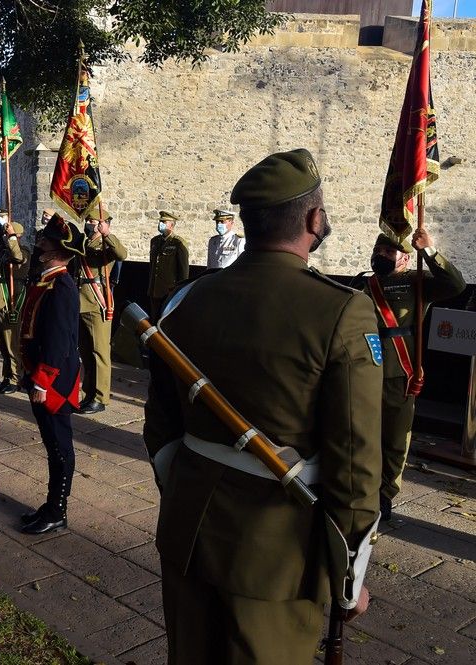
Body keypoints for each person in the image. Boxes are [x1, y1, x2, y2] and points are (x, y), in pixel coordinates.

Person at [143, 148, 382, 663]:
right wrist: (349, 574)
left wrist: (182, 485)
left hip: (187, 529)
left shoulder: (187, 299)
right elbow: (356, 462)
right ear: (314, 219)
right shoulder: (342, 311)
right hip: (275, 555)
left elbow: (160, 423)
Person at [350, 230, 465, 520]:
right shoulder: (363, 283)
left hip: (397, 372)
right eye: (379, 249)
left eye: (388, 252)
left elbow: (455, 285)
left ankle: (385, 494)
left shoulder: (416, 282)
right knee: (362, 435)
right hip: (362, 369)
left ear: (404, 257)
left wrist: (429, 251)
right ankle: (361, 487)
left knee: (394, 438)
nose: (381, 255)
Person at [18, 213, 85, 535]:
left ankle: (58, 509)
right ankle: (51, 504)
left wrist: (42, 381)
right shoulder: (46, 280)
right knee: (51, 443)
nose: (39, 243)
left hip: (55, 381)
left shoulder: (61, 286)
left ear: (57, 250)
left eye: (45, 240)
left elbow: (58, 342)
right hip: (41, 375)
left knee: (59, 446)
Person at [75, 209, 127, 415]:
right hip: (82, 300)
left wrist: (107, 234)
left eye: (92, 220)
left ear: (102, 224)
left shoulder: (106, 243)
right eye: (87, 220)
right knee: (86, 352)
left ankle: (101, 396)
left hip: (98, 301)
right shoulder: (85, 243)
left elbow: (122, 254)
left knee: (100, 352)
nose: (88, 223)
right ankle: (89, 393)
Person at [0, 213, 31, 394]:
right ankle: (7, 376)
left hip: (12, 300)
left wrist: (12, 236)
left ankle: (15, 378)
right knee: (3, 344)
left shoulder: (23, 251)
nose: (5, 237)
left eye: (8, 235)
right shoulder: (5, 251)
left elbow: (18, 256)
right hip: (0, 302)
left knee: (12, 343)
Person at [147, 211, 189, 317]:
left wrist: (179, 291)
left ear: (171, 225)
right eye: (160, 222)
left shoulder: (178, 243)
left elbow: (183, 270)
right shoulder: (155, 241)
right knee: (154, 319)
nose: (160, 224)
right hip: (154, 289)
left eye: (164, 222)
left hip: (169, 290)